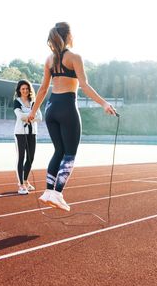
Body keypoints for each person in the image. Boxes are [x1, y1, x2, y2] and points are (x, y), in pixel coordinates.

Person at [28, 22, 116, 211]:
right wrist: (104, 103)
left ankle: (48, 191)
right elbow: (84, 85)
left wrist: (33, 112)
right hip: (67, 107)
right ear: (68, 36)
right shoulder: (75, 57)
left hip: (52, 107)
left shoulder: (49, 60)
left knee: (58, 151)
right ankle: (58, 194)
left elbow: (43, 89)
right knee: (70, 155)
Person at [14, 79, 42, 195]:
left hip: (32, 133)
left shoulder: (34, 102)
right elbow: (20, 116)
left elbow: (40, 117)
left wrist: (29, 117)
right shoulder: (17, 102)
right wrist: (32, 115)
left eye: (27, 89)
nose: (25, 91)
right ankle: (20, 185)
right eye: (23, 89)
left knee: (31, 158)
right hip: (20, 133)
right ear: (19, 90)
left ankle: (25, 181)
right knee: (21, 158)